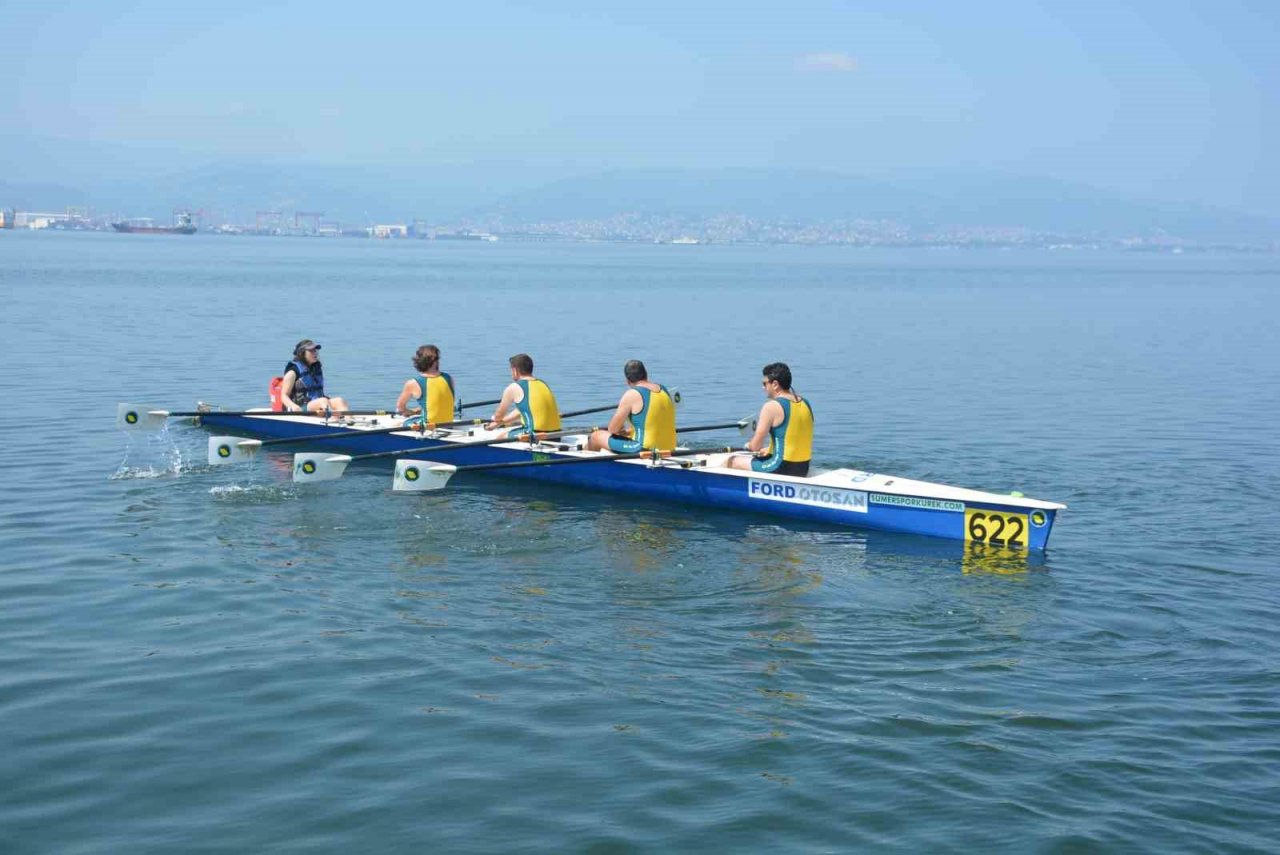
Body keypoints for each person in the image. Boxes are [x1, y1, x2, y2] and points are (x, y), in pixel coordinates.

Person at [727, 362, 813, 476]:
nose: (763, 387)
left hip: (781, 467)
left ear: (775, 384)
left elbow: (755, 446)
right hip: (803, 468)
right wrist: (770, 448)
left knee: (732, 461)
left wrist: (748, 445)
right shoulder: (805, 403)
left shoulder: (771, 407)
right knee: (764, 453)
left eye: (764, 383)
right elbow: (794, 437)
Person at [587, 360, 677, 452]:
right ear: (646, 374)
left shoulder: (632, 394)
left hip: (643, 448)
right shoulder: (664, 390)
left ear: (627, 381)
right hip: (670, 448)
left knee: (595, 436)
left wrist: (620, 430)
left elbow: (613, 429)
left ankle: (587, 463)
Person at [485, 353, 562, 437]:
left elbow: (498, 415)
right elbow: (522, 411)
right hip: (556, 434)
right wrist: (501, 422)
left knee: (500, 437)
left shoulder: (513, 387)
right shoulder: (543, 384)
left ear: (515, 370)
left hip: (534, 435)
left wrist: (496, 421)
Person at [280, 339, 350, 417]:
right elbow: (284, 396)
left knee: (340, 401)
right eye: (311, 351)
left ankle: (349, 420)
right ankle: (333, 420)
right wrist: (294, 407)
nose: (315, 353)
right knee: (323, 401)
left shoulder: (315, 368)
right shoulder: (292, 372)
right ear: (302, 353)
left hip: (318, 404)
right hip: (301, 407)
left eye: (315, 350)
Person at [395, 344, 456, 426]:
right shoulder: (449, 378)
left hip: (428, 426)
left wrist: (409, 412)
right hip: (448, 424)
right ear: (436, 361)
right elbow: (439, 403)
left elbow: (400, 408)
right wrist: (416, 411)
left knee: (400, 423)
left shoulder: (412, 383)